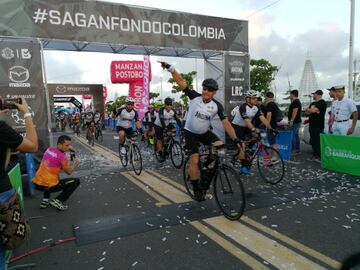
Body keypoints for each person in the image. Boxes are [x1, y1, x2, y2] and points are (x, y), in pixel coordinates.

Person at [160, 61, 241, 202]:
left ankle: (207, 166)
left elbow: (226, 123)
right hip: (190, 132)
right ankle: (196, 188)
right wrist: (171, 68)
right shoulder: (194, 97)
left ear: (214, 92)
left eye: (209, 90)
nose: (205, 91)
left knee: (220, 146)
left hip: (203, 132)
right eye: (204, 88)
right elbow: (180, 81)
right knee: (194, 158)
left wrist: (235, 139)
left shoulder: (217, 106)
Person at [32, 135, 79, 211]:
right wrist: (74, 163)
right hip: (48, 186)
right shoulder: (62, 157)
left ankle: (45, 201)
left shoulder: (49, 149)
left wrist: (70, 149)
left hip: (37, 183)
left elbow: (57, 156)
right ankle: (58, 201)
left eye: (69, 145)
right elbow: (69, 172)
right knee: (76, 181)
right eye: (66, 145)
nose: (68, 147)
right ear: (59, 145)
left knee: (50, 176)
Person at [231, 90, 272, 174]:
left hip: (246, 126)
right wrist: (253, 129)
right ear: (247, 99)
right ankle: (243, 167)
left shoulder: (256, 107)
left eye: (256, 98)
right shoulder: (243, 107)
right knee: (242, 146)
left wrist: (271, 128)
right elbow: (246, 121)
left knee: (257, 137)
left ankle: (248, 149)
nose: (255, 100)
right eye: (253, 98)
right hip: (237, 126)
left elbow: (263, 118)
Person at [153, 97, 182, 162]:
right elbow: (162, 120)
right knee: (160, 139)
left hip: (167, 123)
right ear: (165, 105)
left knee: (174, 129)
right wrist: (165, 129)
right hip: (159, 125)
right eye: (167, 104)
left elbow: (177, 120)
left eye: (170, 104)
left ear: (172, 105)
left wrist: (182, 128)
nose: (169, 106)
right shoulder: (161, 110)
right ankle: (160, 154)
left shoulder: (173, 111)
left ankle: (166, 143)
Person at [305, 90, 327, 162]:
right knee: (313, 141)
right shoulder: (313, 103)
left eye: (314, 94)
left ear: (317, 94)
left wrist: (311, 110)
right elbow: (307, 112)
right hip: (311, 125)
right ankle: (315, 155)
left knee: (318, 141)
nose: (313, 96)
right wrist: (311, 110)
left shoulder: (322, 102)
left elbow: (313, 111)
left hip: (319, 125)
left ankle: (319, 156)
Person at [264, 91, 280, 158]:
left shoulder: (269, 104)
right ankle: (271, 156)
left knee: (273, 143)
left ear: (267, 97)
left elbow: (269, 116)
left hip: (271, 126)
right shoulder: (274, 104)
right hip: (274, 125)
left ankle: (275, 157)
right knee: (272, 142)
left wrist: (267, 126)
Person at [287, 90, 302, 154]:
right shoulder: (296, 101)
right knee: (296, 136)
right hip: (297, 121)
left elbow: (295, 112)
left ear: (293, 95)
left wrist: (291, 120)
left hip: (295, 122)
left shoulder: (296, 102)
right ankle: (297, 149)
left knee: (292, 136)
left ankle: (295, 150)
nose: (289, 96)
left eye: (290, 94)